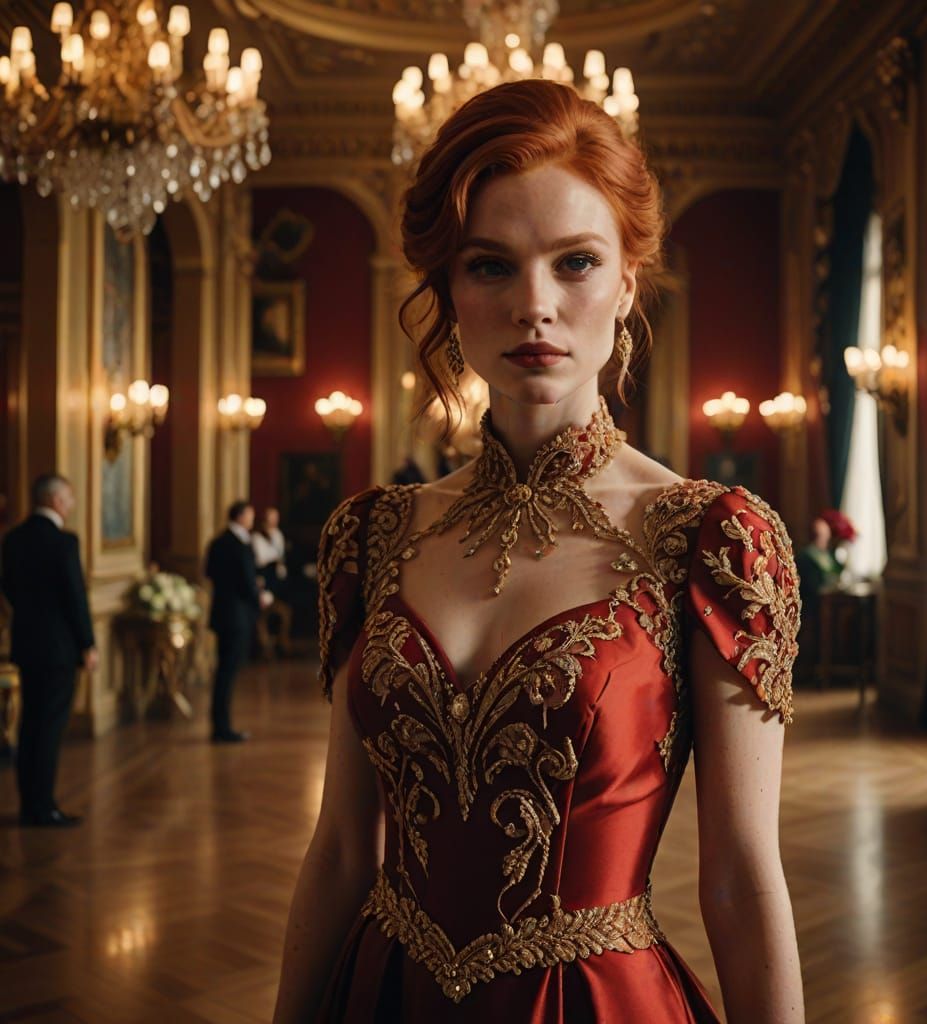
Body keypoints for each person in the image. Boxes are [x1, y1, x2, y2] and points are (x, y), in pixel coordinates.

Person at [275, 80, 803, 1023]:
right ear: (446, 289)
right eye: (490, 266)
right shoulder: (372, 533)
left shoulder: (709, 537)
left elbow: (740, 878)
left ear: (627, 282)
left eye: (574, 262)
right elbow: (342, 852)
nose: (535, 305)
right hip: (384, 991)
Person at [1, 474, 97, 827]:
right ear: (56, 501)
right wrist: (87, 643)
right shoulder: (64, 542)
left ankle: (30, 803)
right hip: (59, 649)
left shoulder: (12, 539)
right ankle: (44, 807)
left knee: (30, 726)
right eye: (69, 499)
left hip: (26, 644)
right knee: (50, 728)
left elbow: (8, 588)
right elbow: (75, 597)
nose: (71, 506)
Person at [205, 500, 270, 742]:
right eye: (250, 515)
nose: (252, 519)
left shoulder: (218, 541)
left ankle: (220, 725)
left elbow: (209, 572)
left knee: (224, 671)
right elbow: (245, 579)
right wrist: (259, 596)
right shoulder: (239, 544)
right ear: (241, 516)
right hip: (236, 616)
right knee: (227, 673)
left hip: (223, 613)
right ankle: (222, 728)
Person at [253, 507, 293, 658]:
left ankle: (282, 644)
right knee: (261, 617)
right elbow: (261, 559)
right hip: (264, 581)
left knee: (284, 612)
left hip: (278, 583)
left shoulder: (278, 534)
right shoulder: (257, 537)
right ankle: (265, 647)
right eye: (271, 517)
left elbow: (280, 556)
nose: (274, 520)